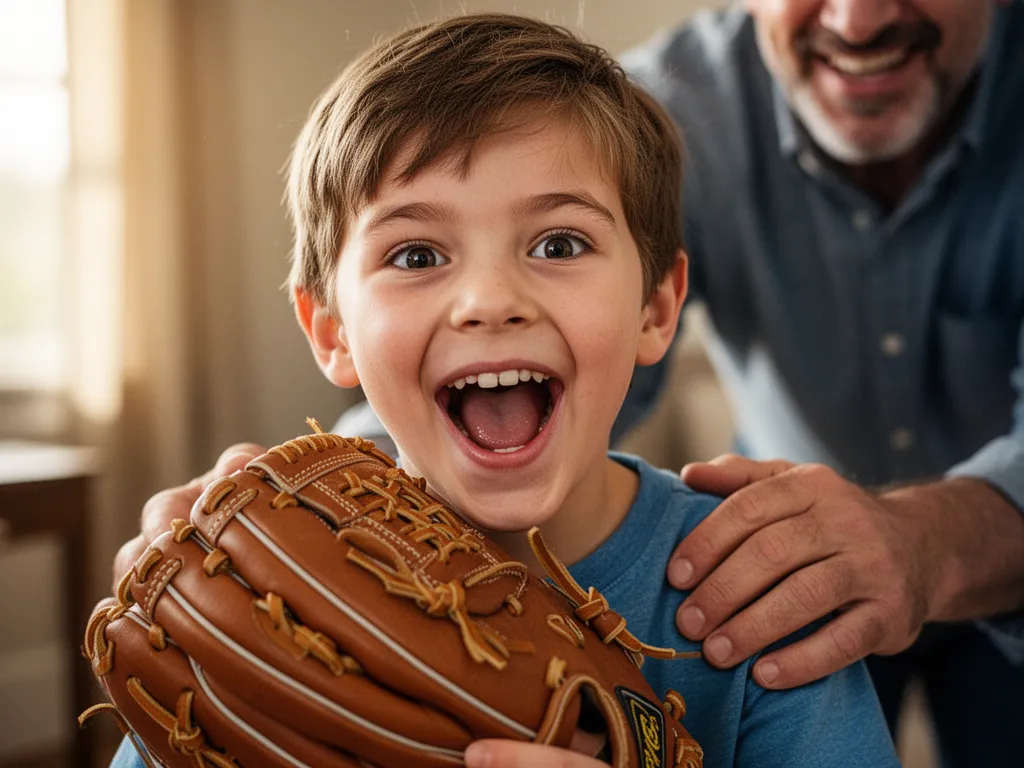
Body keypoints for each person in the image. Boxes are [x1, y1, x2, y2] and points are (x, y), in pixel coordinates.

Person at [115, 2, 1024, 766]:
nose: (489, 300)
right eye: (417, 253)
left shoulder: (758, 608)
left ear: (659, 308)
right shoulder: (258, 594)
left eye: (558, 244)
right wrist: (313, 490)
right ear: (330, 330)